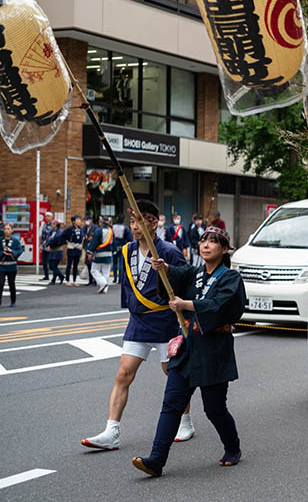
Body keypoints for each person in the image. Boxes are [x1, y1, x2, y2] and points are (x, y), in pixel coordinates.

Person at [132, 227, 246, 477]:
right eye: (203, 240)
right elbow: (175, 276)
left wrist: (187, 305)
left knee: (214, 408)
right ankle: (156, 460)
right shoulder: (194, 274)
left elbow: (221, 305)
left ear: (224, 249)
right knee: (171, 404)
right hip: (188, 347)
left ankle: (233, 447)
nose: (206, 245)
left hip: (213, 350)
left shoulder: (230, 278)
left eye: (213, 242)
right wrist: (163, 269)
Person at [81, 200, 194, 451]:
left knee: (173, 374)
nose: (134, 227)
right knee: (123, 374)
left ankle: (185, 421)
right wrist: (130, 307)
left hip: (165, 321)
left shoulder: (169, 251)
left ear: (153, 223)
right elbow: (127, 286)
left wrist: (171, 278)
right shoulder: (127, 251)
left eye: (139, 222)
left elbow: (187, 280)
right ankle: (112, 431)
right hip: (138, 322)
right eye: (131, 222)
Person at [87, 216, 115, 293]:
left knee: (94, 270)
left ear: (101, 222)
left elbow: (94, 243)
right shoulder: (111, 231)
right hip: (109, 254)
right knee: (106, 272)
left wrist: (89, 252)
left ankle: (103, 283)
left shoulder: (98, 231)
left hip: (99, 254)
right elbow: (114, 243)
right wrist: (114, 252)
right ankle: (105, 289)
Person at [0, 223, 24, 307]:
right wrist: (2, 253)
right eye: (5, 229)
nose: (6, 231)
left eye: (8, 229)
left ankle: (13, 301)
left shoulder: (15, 240)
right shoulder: (0, 240)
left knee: (11, 284)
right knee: (0, 284)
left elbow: (20, 250)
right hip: (2, 266)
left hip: (12, 266)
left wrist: (12, 252)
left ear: (12, 230)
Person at [62, 215, 85, 286]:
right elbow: (63, 235)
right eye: (77, 220)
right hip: (71, 248)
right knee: (69, 264)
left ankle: (74, 280)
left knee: (76, 265)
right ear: (73, 221)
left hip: (78, 248)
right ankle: (67, 280)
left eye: (79, 220)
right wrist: (66, 242)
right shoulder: (70, 229)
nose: (79, 221)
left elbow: (83, 237)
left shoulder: (81, 229)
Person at [111, 215, 133, 284]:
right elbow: (129, 238)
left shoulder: (112, 227)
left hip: (114, 246)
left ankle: (114, 278)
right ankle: (120, 278)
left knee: (114, 263)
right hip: (122, 246)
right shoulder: (125, 228)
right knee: (121, 263)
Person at [84, 215, 98, 286]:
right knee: (88, 264)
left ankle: (95, 280)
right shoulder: (85, 227)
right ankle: (90, 280)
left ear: (91, 220)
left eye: (88, 220)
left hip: (93, 248)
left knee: (93, 265)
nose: (86, 221)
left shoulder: (95, 227)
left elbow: (96, 237)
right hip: (87, 247)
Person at [39, 212, 54, 280]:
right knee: (44, 262)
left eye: (49, 216)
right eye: (46, 216)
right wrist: (40, 244)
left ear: (52, 217)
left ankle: (57, 274)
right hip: (44, 245)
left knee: (51, 263)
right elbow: (42, 235)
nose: (47, 218)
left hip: (50, 246)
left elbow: (53, 236)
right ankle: (46, 276)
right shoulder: (44, 225)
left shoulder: (53, 225)